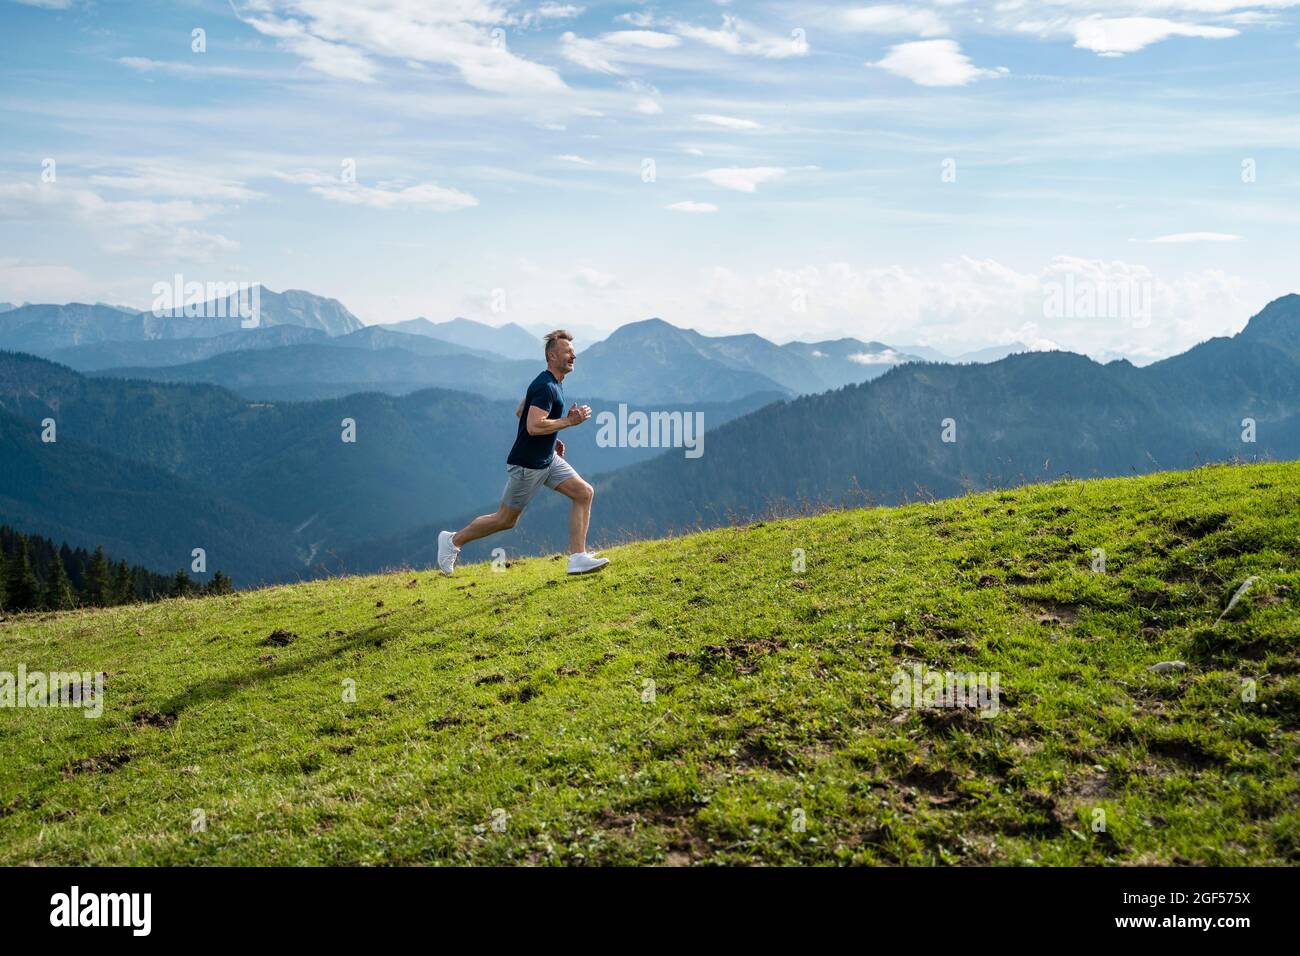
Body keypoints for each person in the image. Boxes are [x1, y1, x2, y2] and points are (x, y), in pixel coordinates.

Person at [438, 329, 609, 576]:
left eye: (573, 351)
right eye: (567, 352)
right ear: (552, 356)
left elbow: (522, 411)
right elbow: (532, 425)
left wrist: (552, 438)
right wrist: (569, 422)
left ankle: (578, 558)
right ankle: (452, 541)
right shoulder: (546, 386)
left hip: (547, 459)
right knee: (505, 520)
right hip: (527, 465)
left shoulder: (553, 383)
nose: (574, 356)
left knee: (584, 493)